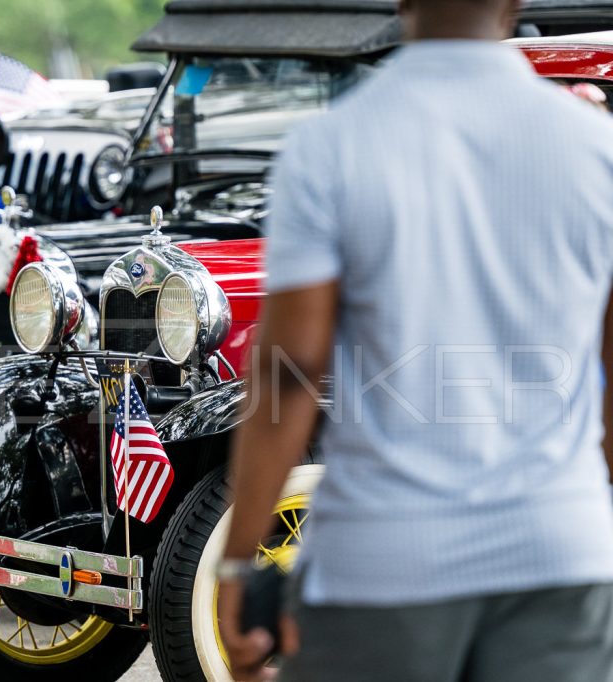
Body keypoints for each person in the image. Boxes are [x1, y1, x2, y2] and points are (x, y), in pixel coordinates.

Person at [218, 1, 613, 681]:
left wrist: (236, 560)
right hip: (560, 555)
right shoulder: (595, 148)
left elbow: (290, 373)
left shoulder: (330, 147)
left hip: (380, 562)